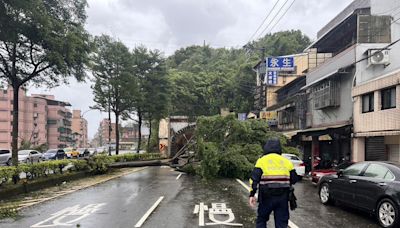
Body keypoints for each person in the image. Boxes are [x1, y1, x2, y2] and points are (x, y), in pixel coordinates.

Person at [249, 138, 298, 228]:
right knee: (281, 223)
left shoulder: (261, 161)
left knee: (262, 220)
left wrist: (252, 194)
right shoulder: (287, 162)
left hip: (266, 197)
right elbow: (294, 179)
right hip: (282, 198)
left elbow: (254, 179)